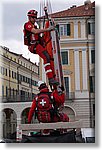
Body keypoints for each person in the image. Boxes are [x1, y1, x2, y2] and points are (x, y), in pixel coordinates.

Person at [23, 10, 59, 86]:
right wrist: (47, 29)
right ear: (29, 17)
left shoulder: (34, 26)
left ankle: (52, 77)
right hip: (33, 45)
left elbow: (38, 35)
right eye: (33, 18)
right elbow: (35, 32)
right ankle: (50, 79)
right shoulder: (27, 25)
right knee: (46, 57)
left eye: (35, 18)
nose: (34, 19)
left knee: (48, 57)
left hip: (37, 44)